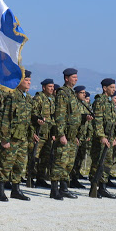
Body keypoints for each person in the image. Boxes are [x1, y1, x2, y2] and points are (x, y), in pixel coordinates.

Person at [0, 71, 36, 202]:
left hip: (23, 137)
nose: (29, 82)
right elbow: (6, 118)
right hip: (12, 137)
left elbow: (28, 119)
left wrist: (31, 133)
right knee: (6, 163)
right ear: (19, 81)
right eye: (26, 80)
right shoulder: (12, 97)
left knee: (19, 164)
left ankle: (16, 190)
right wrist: (5, 138)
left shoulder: (28, 98)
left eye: (29, 80)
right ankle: (0, 190)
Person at [51, 68, 92, 200]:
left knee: (68, 163)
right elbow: (60, 115)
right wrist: (61, 134)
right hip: (65, 134)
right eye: (73, 77)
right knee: (60, 161)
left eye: (76, 77)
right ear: (66, 78)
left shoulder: (72, 94)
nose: (76, 79)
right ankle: (54, 189)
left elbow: (74, 115)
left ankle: (64, 188)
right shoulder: (63, 93)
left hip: (72, 135)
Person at [88, 78, 116, 199]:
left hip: (109, 138)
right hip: (101, 138)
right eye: (112, 87)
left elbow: (113, 121)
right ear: (104, 88)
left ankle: (103, 187)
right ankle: (94, 187)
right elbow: (98, 120)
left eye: (114, 88)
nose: (114, 90)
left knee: (107, 163)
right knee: (98, 163)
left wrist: (114, 137)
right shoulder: (99, 101)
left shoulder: (110, 102)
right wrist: (101, 136)